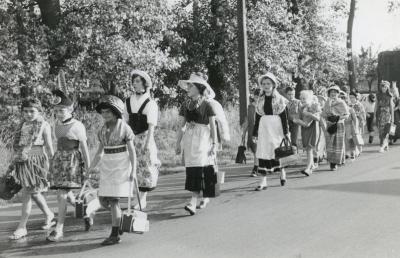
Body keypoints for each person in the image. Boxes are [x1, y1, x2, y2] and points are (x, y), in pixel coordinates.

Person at [89, 95, 137, 245]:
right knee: (104, 200)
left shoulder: (124, 128)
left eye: (108, 112)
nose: (105, 115)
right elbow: (99, 152)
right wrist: (91, 167)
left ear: (116, 112)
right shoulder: (103, 130)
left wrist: (133, 170)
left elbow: (132, 151)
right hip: (107, 164)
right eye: (103, 112)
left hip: (121, 163)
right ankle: (119, 220)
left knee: (113, 200)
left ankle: (115, 234)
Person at [7, 98, 55, 240]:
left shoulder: (44, 125)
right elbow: (18, 145)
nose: (28, 114)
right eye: (25, 111)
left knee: (28, 193)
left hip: (36, 161)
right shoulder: (22, 125)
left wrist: (53, 166)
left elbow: (49, 147)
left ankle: (22, 227)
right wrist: (13, 161)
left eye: (32, 111)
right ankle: (49, 214)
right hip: (23, 161)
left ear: (39, 111)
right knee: (33, 192)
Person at [47, 90, 90, 242]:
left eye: (62, 110)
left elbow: (84, 148)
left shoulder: (77, 126)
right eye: (56, 111)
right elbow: (57, 145)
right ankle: (86, 211)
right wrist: (52, 163)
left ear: (70, 109)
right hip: (59, 161)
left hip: (72, 162)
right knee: (67, 196)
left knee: (62, 195)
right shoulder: (56, 125)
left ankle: (59, 228)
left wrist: (88, 169)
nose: (59, 113)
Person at [176, 72, 219, 215]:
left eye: (191, 85)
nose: (188, 87)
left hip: (203, 139)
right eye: (187, 85)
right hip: (190, 140)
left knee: (200, 169)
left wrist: (214, 143)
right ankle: (201, 197)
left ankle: (193, 201)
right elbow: (181, 125)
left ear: (199, 88)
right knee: (193, 168)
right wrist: (178, 143)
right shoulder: (185, 105)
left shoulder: (207, 105)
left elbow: (213, 126)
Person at [124, 70, 160, 209]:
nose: (135, 84)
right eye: (134, 81)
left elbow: (151, 125)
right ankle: (135, 195)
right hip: (131, 137)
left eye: (138, 81)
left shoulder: (150, 103)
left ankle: (143, 198)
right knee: (132, 166)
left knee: (145, 166)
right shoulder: (128, 101)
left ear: (144, 84)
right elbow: (125, 121)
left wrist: (147, 142)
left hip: (145, 137)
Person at [252, 72, 289, 190]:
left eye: (268, 83)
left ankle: (282, 171)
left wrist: (286, 132)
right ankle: (263, 181)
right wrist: (254, 132)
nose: (266, 86)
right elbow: (257, 118)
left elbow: (284, 118)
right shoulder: (260, 100)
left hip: (276, 127)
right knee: (263, 151)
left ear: (273, 85)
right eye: (263, 84)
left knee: (277, 150)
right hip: (263, 127)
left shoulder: (280, 99)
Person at [293, 90, 321, 176]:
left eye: (304, 98)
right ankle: (312, 165)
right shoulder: (301, 107)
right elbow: (299, 119)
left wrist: (308, 114)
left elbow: (318, 118)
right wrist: (298, 121)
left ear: (309, 98)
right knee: (308, 149)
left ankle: (308, 168)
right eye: (301, 98)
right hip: (305, 130)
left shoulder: (314, 105)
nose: (302, 100)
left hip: (313, 129)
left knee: (309, 149)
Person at [322, 85, 349, 171]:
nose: (333, 94)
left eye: (335, 92)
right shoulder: (327, 102)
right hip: (330, 125)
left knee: (338, 144)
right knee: (330, 144)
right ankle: (331, 162)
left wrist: (337, 118)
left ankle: (336, 162)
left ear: (338, 93)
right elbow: (324, 114)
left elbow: (347, 115)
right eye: (331, 92)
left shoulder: (341, 102)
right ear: (328, 94)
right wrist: (328, 118)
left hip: (339, 125)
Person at [240, 89, 260, 177]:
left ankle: (259, 166)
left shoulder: (264, 106)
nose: (257, 98)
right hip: (253, 131)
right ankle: (255, 168)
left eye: (259, 96)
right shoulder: (250, 107)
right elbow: (247, 120)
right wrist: (244, 133)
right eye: (256, 96)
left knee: (262, 149)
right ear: (254, 96)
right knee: (256, 150)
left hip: (263, 130)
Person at [376, 81, 394, 153]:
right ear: (381, 87)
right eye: (383, 86)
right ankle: (385, 143)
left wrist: (392, 118)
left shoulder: (390, 96)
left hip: (387, 115)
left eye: (385, 87)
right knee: (381, 131)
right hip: (380, 114)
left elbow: (391, 107)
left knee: (386, 130)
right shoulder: (378, 95)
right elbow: (376, 106)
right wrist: (375, 115)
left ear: (387, 87)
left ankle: (381, 146)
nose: (384, 88)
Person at [343, 93, 359, 160]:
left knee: (350, 139)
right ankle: (346, 152)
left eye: (345, 101)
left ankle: (353, 151)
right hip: (342, 126)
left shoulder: (350, 109)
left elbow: (355, 119)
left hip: (349, 126)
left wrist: (356, 128)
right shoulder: (339, 109)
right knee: (344, 140)